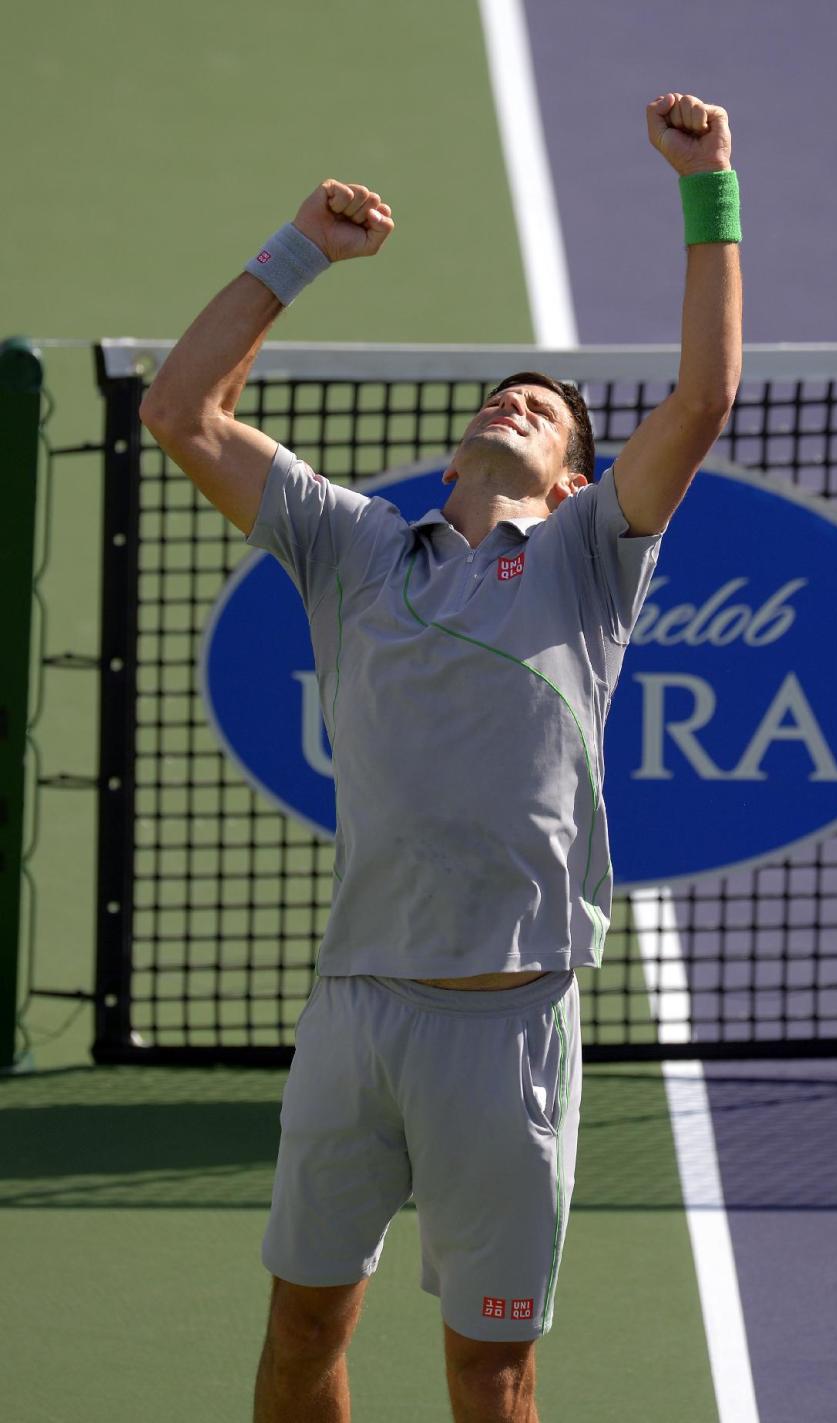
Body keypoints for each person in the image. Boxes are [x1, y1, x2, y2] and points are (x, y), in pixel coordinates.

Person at [140, 91, 742, 1423]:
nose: (518, 402)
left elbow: (702, 401)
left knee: (494, 1372)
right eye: (504, 395)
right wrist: (296, 251)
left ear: (577, 483)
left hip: (509, 1024)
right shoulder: (352, 546)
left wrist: (710, 189)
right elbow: (181, 412)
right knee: (303, 1335)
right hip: (357, 1008)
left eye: (545, 412)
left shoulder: (590, 561)